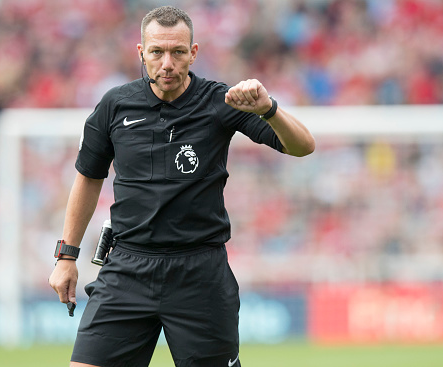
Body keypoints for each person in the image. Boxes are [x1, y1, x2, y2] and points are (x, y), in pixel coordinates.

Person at [48, 5, 315, 367]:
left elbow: (302, 146)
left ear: (194, 52)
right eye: (157, 52)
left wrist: (269, 109)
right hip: (127, 268)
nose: (167, 63)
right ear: (142, 53)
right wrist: (67, 256)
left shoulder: (221, 102)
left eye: (177, 52)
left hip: (199, 274)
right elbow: (88, 177)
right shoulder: (114, 106)